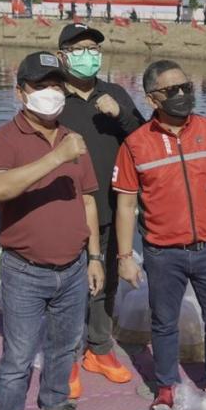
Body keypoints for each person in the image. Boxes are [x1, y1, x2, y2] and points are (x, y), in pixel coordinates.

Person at [0, 52, 104, 410]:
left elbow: (87, 198)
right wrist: (56, 157)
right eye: (40, 86)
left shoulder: (73, 137)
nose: (51, 94)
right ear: (20, 92)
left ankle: (55, 405)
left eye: (57, 85)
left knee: (63, 347)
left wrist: (94, 257)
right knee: (17, 357)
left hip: (72, 268)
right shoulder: (5, 139)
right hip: (25, 271)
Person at [113, 59, 206, 410]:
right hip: (162, 253)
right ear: (151, 99)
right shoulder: (135, 144)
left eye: (186, 87)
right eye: (171, 90)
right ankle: (166, 386)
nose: (181, 95)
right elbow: (126, 206)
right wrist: (125, 257)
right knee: (164, 323)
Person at [55, 24, 144, 391]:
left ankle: (99, 347)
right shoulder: (52, 95)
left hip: (109, 207)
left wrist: (120, 114)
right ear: (62, 55)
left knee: (103, 283)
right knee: (68, 286)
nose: (88, 54)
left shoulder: (114, 92)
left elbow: (142, 138)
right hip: (64, 209)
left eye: (93, 47)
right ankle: (68, 356)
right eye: (79, 48)